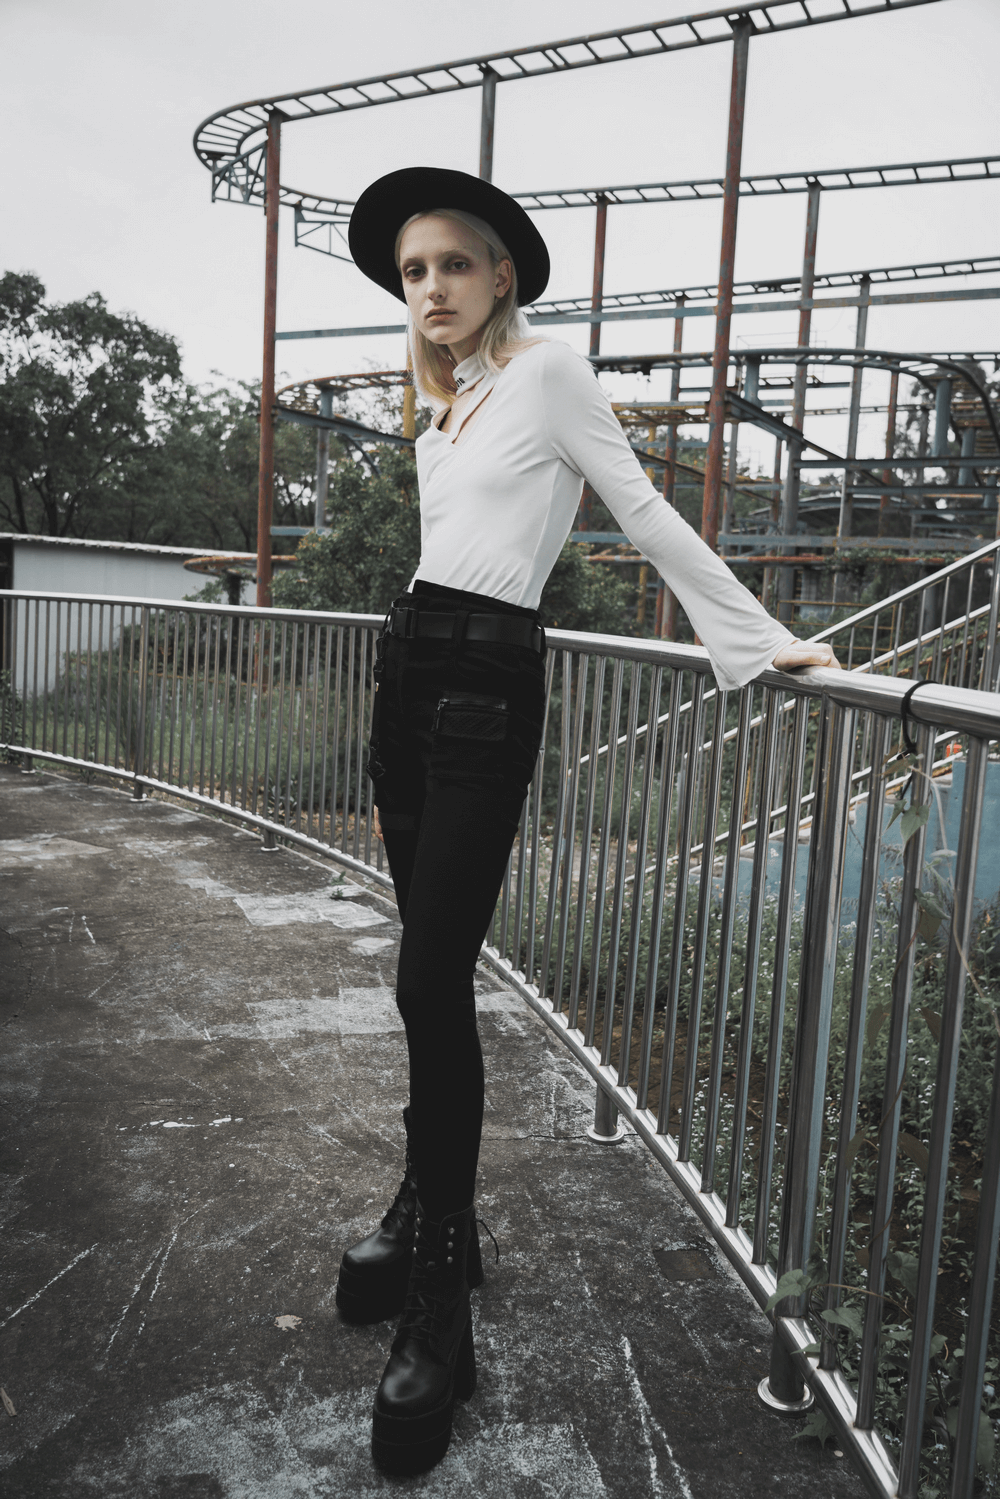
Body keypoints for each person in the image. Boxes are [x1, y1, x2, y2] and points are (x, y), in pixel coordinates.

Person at [338, 166, 840, 1476]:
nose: (432, 289)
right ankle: (428, 1204)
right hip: (409, 668)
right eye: (412, 273)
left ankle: (444, 1290)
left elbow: (643, 505)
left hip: (489, 686)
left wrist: (761, 639)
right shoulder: (438, 405)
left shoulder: (551, 373)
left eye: (452, 263)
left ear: (501, 270)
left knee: (430, 975)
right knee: (420, 980)